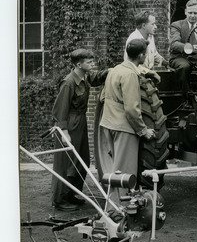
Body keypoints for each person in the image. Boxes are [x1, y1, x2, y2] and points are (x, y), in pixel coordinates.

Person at [52, 49, 109, 211]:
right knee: (67, 163)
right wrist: (64, 132)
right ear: (78, 64)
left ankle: (71, 193)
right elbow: (59, 110)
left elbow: (97, 77)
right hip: (69, 123)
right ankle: (60, 200)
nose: (93, 64)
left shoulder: (85, 76)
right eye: (89, 62)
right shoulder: (69, 82)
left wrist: (112, 71)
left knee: (82, 159)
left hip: (80, 121)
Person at [100, 38, 156, 205]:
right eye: (145, 54)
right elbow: (132, 109)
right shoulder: (130, 75)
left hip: (108, 123)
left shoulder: (116, 70)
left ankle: (114, 208)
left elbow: (103, 96)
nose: (145, 57)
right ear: (140, 55)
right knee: (124, 173)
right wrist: (143, 130)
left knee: (115, 169)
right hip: (123, 127)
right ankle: (120, 211)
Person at [169, 0, 197, 104]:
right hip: (180, 57)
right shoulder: (177, 25)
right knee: (184, 67)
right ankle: (187, 98)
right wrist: (191, 47)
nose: (192, 15)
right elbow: (174, 44)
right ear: (185, 12)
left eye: (195, 13)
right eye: (190, 13)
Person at [124, 10, 168, 82]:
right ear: (144, 25)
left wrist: (164, 62)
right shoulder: (132, 40)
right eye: (153, 24)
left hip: (148, 79)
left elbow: (153, 53)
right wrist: (151, 73)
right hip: (135, 79)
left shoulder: (150, 36)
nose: (156, 27)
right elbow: (130, 65)